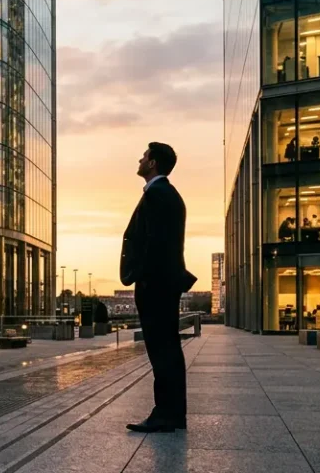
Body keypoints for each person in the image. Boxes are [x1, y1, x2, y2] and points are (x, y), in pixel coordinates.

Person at [121, 142, 193, 433]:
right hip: (162, 283)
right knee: (168, 350)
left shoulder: (159, 195)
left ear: (152, 164)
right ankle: (173, 414)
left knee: (162, 351)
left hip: (156, 285)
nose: (139, 158)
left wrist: (143, 276)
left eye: (144, 156)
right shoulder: (167, 194)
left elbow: (155, 244)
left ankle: (165, 415)